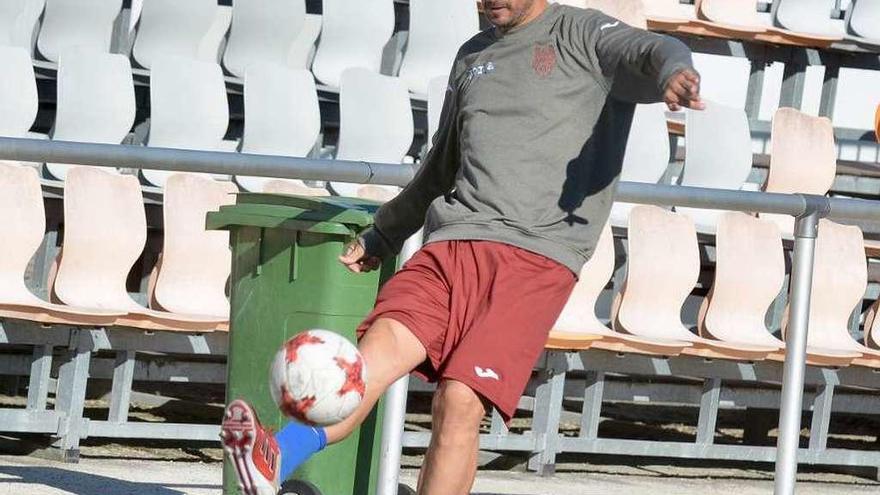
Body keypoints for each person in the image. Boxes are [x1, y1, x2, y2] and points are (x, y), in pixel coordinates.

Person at [222, 1, 704, 494]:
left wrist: (675, 72)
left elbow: (653, 49)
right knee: (364, 365)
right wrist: (385, 233)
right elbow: (440, 166)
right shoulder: (472, 56)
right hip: (450, 245)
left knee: (458, 401)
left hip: (535, 257)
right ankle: (274, 459)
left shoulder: (583, 35)